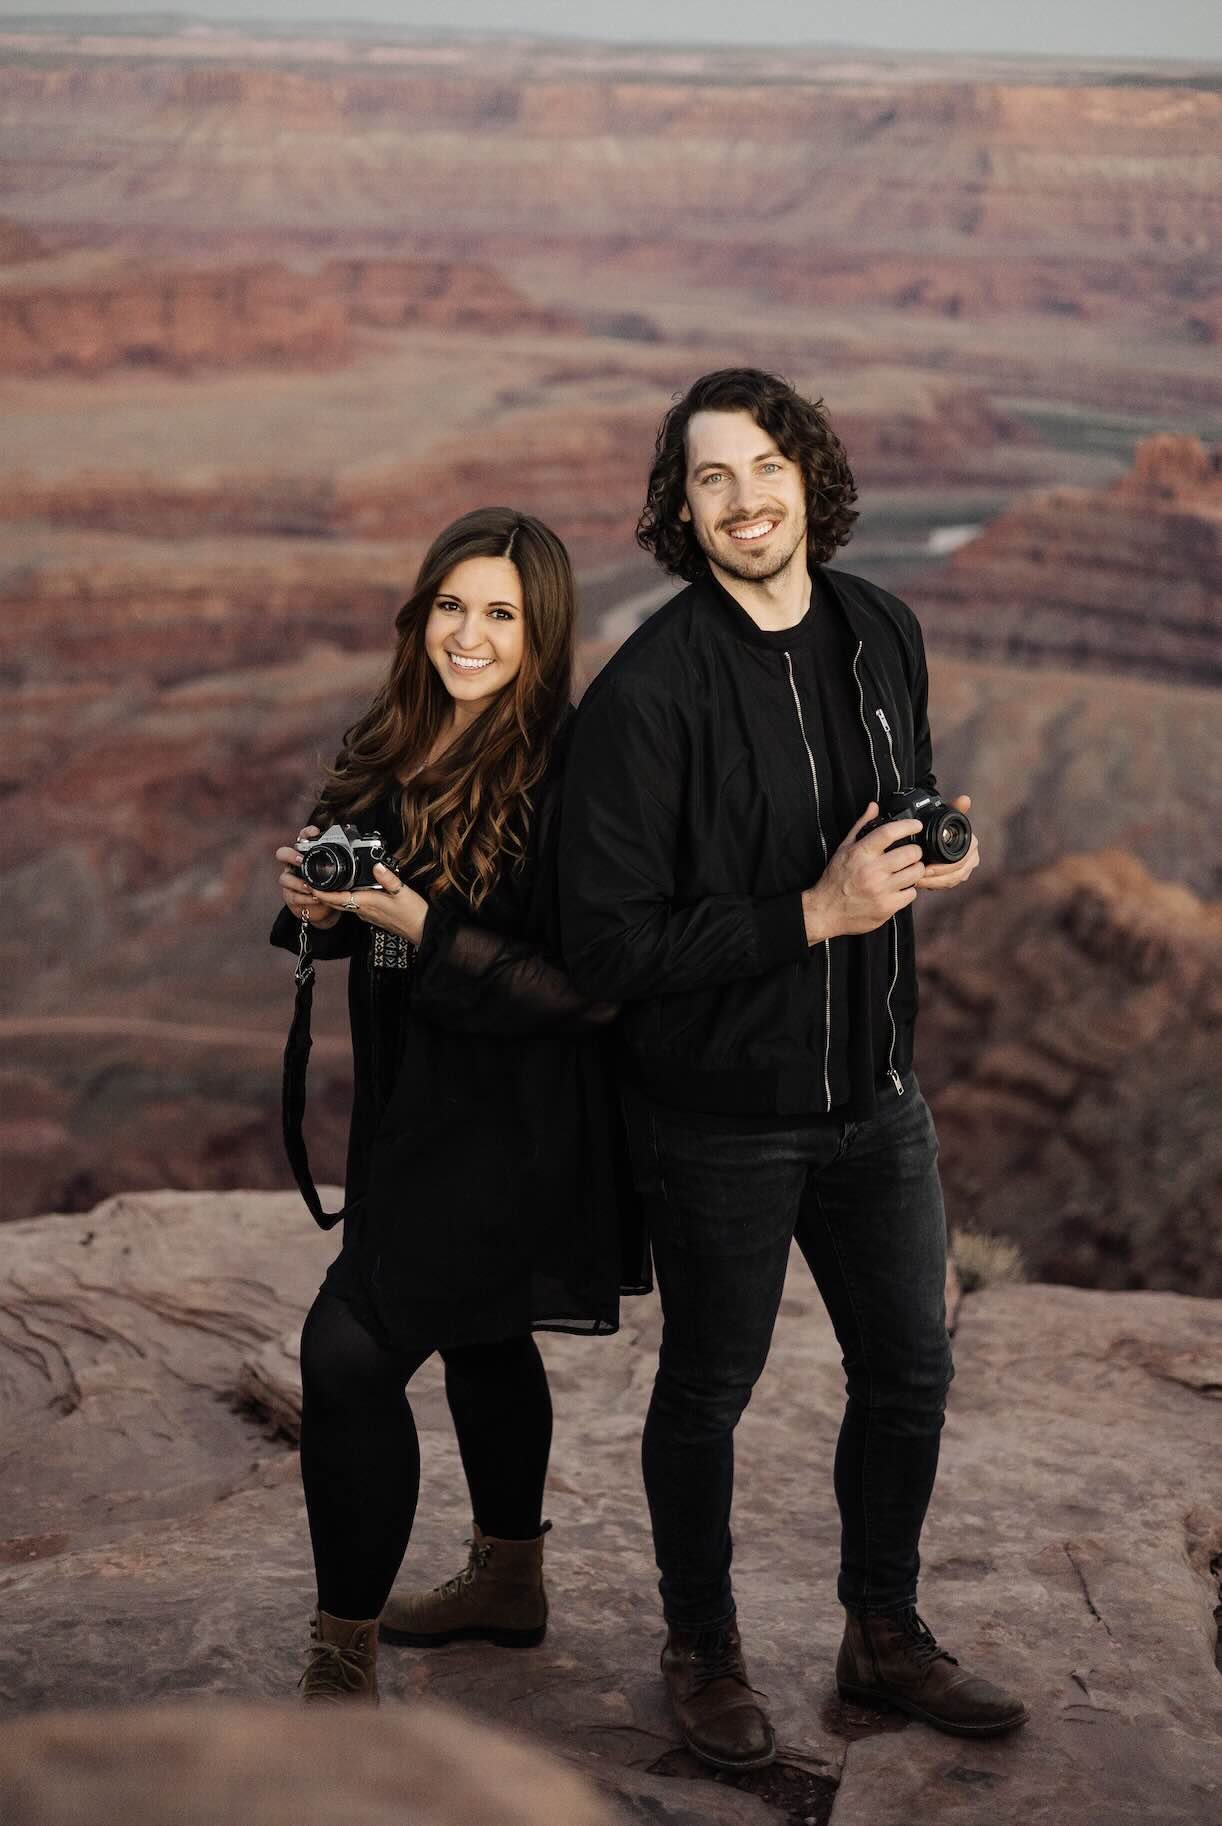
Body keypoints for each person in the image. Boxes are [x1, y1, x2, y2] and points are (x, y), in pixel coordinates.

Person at [559, 369, 1028, 1766]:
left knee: (909, 1370)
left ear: (808, 476)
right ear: (679, 507)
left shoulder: (882, 626)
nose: (744, 498)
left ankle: (879, 1630)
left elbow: (890, 809)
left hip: (875, 1101)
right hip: (719, 1118)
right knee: (707, 1387)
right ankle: (700, 1648)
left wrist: (931, 854)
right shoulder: (649, 689)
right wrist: (810, 913)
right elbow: (604, 942)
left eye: (764, 466)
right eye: (710, 477)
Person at [270, 506, 644, 1705]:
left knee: (344, 1355)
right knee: (485, 1335)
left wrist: (422, 926)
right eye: (450, 605)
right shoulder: (390, 739)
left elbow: (590, 989)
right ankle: (509, 1577)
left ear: (543, 636)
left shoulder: (572, 768)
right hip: (412, 1110)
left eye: (500, 615)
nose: (467, 636)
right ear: (418, 610)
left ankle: (342, 1656)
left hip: (516, 1122)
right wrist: (317, 911)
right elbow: (349, 915)